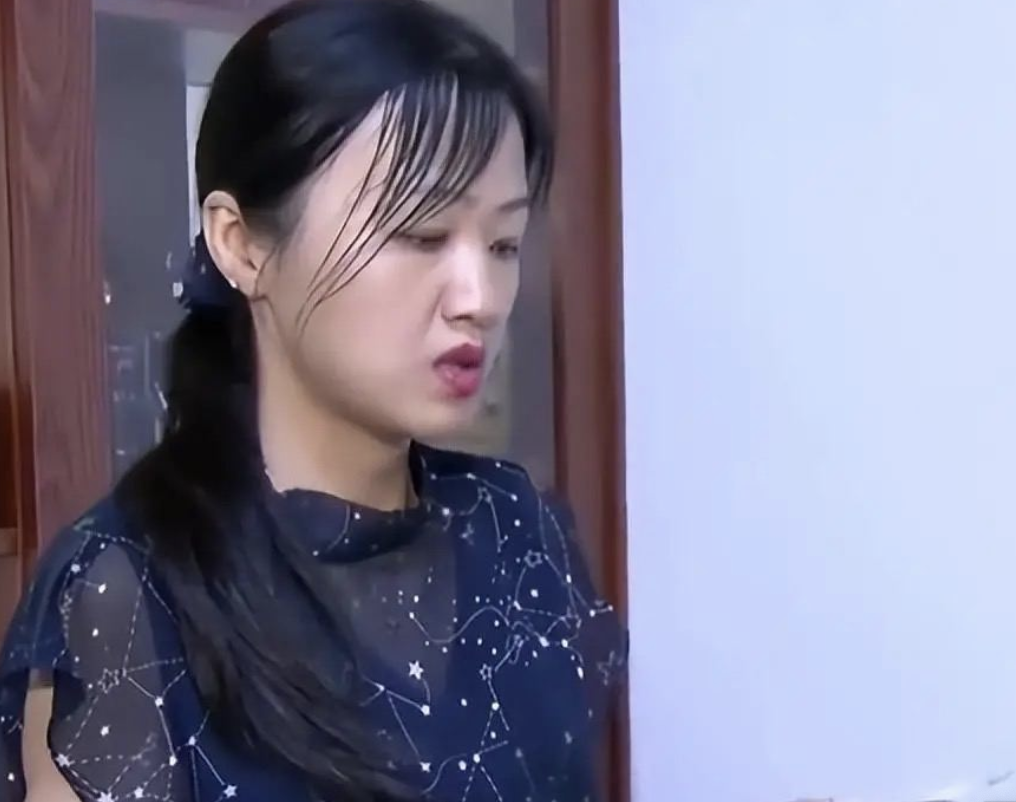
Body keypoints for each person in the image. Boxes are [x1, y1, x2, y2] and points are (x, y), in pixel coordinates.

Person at [0, 0, 626, 799]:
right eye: (421, 235)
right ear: (241, 245)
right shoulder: (127, 592)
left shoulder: (517, 532)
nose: (479, 298)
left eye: (503, 244)